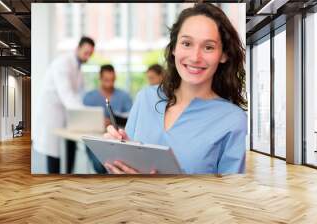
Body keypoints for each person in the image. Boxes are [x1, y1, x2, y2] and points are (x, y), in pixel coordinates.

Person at [104, 3, 247, 174]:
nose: (195, 57)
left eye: (208, 47)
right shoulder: (146, 98)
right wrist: (117, 161)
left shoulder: (232, 119)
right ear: (174, 48)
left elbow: (229, 195)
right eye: (186, 43)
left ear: (223, 54)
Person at [33, 36, 95, 174]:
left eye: (90, 53)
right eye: (86, 52)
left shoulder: (78, 67)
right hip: (52, 110)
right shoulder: (63, 63)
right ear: (77, 48)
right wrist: (85, 115)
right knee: (53, 149)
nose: (88, 56)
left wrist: (84, 110)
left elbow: (79, 94)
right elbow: (67, 95)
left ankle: (69, 174)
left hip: (65, 111)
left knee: (70, 143)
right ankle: (54, 180)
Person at [83, 64, 132, 173]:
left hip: (117, 139)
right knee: (100, 166)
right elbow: (83, 120)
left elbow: (130, 119)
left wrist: (115, 121)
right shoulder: (89, 97)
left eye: (112, 80)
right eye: (106, 80)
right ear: (100, 78)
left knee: (120, 164)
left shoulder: (124, 96)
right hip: (95, 137)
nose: (109, 83)